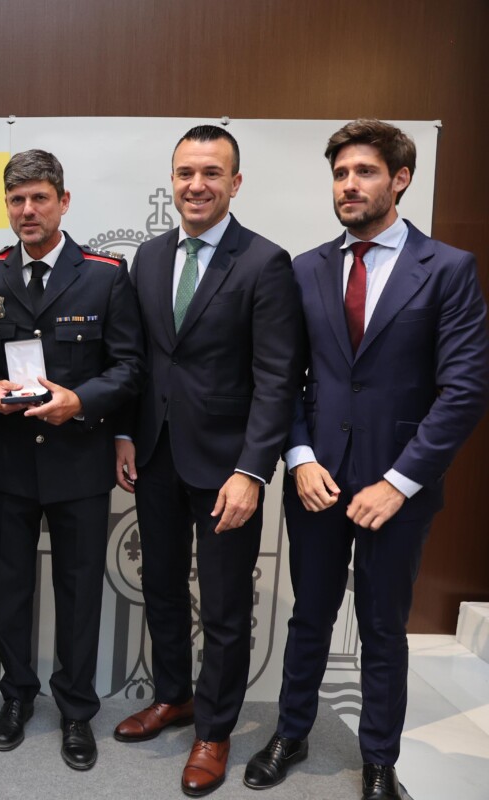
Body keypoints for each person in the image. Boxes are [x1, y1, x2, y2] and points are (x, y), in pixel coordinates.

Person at [243, 120, 489, 800]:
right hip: (316, 482)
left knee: (383, 625)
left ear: (400, 179)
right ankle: (291, 734)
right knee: (309, 617)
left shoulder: (447, 269)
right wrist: (298, 457)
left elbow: (465, 388)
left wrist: (400, 482)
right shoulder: (305, 268)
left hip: (397, 488)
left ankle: (379, 759)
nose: (349, 185)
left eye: (365, 172)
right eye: (341, 173)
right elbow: (282, 377)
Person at [112, 125, 303, 796]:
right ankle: (175, 696)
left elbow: (277, 379)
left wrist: (253, 472)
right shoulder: (151, 257)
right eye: (186, 172)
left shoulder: (264, 263)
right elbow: (141, 361)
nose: (197, 185)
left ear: (235, 183)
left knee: (223, 608)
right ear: (173, 180)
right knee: (160, 588)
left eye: (211, 173)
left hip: (229, 470)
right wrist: (126, 437)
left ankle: (214, 730)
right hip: (156, 456)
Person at [0, 149, 144, 771]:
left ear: (63, 202)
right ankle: (16, 696)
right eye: (17, 200)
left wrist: (80, 401)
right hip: (10, 463)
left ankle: (76, 709)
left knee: (78, 594)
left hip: (78, 461)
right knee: (9, 589)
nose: (27, 211)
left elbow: (129, 367)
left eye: (39, 198)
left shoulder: (104, 274)